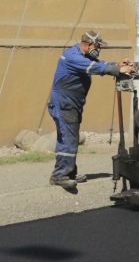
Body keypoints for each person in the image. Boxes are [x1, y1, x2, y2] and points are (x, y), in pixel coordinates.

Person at [48, 30, 134, 191]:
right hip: (64, 104)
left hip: (71, 104)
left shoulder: (82, 55)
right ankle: (60, 176)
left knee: (68, 138)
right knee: (69, 139)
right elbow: (95, 68)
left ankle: (68, 172)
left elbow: (100, 64)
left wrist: (118, 65)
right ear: (88, 44)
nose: (99, 49)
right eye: (98, 46)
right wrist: (118, 71)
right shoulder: (73, 57)